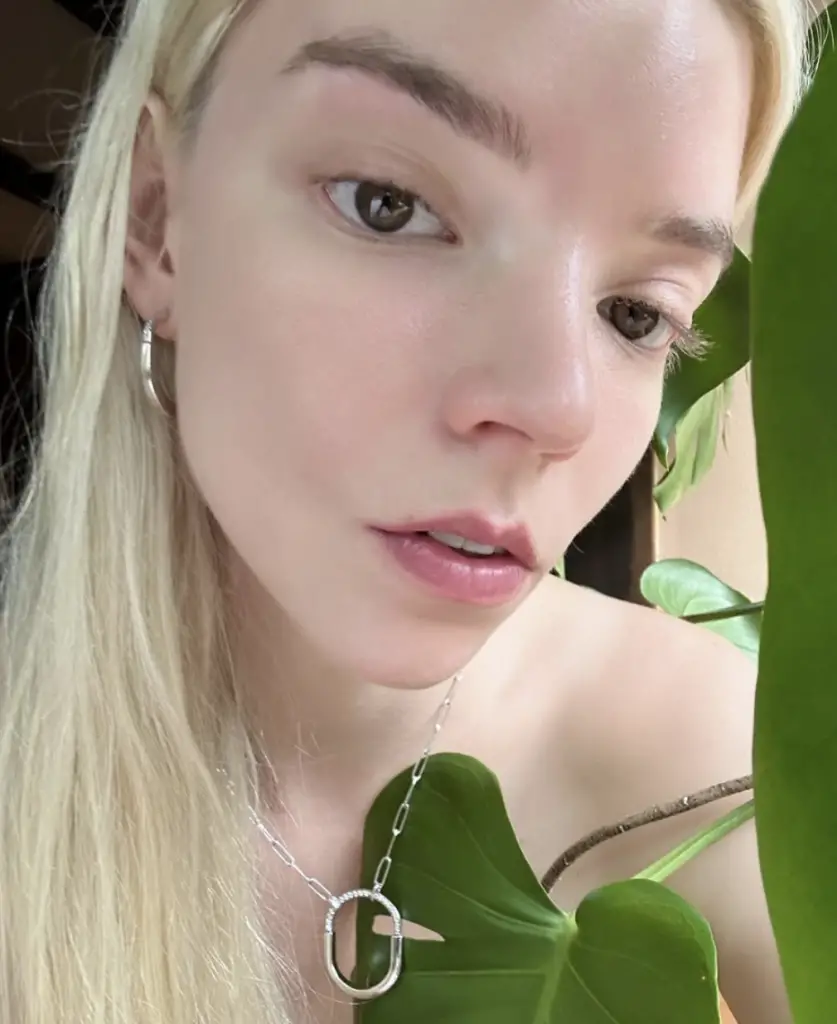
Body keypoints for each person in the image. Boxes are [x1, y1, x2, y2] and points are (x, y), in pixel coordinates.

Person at [0, 0, 814, 1022]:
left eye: (637, 313)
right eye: (388, 206)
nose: (556, 408)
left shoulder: (721, 771)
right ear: (156, 220)